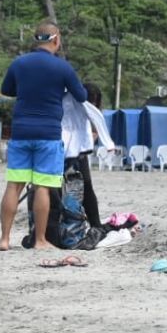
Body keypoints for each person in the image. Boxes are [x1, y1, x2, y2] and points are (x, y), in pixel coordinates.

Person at [0, 20, 87, 251]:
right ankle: (39, 240)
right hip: (48, 133)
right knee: (42, 187)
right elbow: (81, 95)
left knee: (13, 185)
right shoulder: (63, 68)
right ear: (56, 39)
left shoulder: (19, 63)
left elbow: (6, 90)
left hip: (20, 132)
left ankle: (4, 240)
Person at [61, 81, 114, 229]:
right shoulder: (74, 103)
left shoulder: (68, 101)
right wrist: (106, 142)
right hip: (73, 150)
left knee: (83, 187)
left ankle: (92, 224)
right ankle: (94, 224)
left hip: (74, 150)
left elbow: (95, 122)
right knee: (85, 187)